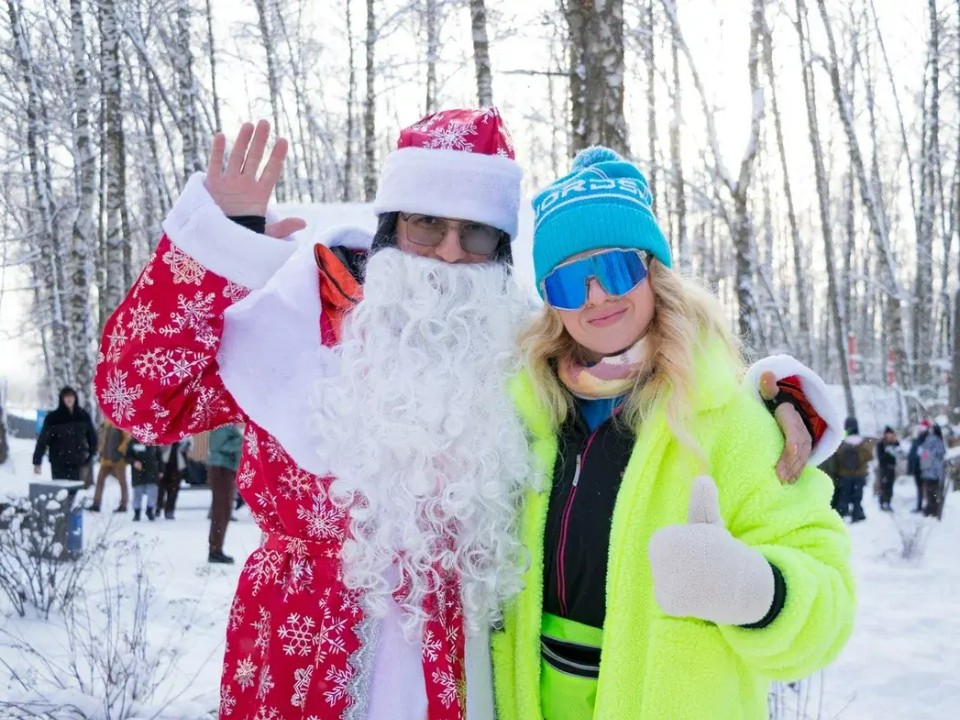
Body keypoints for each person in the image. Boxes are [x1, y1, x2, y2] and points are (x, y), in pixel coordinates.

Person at [95, 113, 837, 719]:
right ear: (390, 229)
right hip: (299, 661)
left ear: (501, 253)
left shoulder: (511, 348)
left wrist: (780, 394)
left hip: (461, 671)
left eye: (476, 234)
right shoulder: (291, 317)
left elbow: (638, 365)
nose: (450, 254)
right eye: (426, 226)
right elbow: (136, 400)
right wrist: (218, 248)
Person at [490, 147, 854, 720]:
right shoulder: (521, 414)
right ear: (549, 304)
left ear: (652, 271)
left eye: (614, 270)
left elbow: (830, 602)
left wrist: (755, 591)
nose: (596, 297)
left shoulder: (728, 416)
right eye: (566, 283)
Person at [32, 386, 97, 482]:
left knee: (74, 491)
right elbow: (43, 440)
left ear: (75, 398)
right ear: (62, 399)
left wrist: (91, 455)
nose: (69, 399)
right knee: (60, 493)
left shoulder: (83, 416)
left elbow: (92, 437)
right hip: (58, 462)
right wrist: (37, 461)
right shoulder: (53, 418)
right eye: (66, 397)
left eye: (71, 396)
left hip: (77, 462)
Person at [207, 423, 243, 563]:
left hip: (228, 467)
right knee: (220, 510)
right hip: (220, 467)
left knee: (225, 510)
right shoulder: (220, 424)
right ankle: (214, 550)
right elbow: (218, 446)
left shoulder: (229, 424)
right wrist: (241, 441)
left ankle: (218, 548)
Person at [88, 418, 131, 512]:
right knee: (100, 481)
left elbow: (127, 439)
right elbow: (101, 440)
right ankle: (96, 504)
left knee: (122, 482)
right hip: (105, 458)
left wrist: (120, 452)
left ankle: (124, 504)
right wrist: (100, 451)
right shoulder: (104, 424)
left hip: (118, 460)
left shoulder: (121, 422)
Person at [126, 439, 162, 521]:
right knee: (137, 493)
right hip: (138, 472)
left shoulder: (154, 441)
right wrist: (134, 462)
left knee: (152, 492)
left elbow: (159, 456)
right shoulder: (133, 441)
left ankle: (150, 510)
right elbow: (127, 456)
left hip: (152, 471)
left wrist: (161, 470)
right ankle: (137, 512)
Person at [919, 423, 946, 518]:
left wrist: (924, 468)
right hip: (936, 471)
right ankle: (933, 509)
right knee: (934, 491)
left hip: (929, 471)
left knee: (930, 491)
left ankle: (931, 509)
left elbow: (924, 455)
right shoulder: (939, 441)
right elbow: (942, 453)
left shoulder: (928, 440)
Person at [156, 440, 185, 520]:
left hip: (177, 466)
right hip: (164, 464)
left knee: (174, 489)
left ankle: (170, 510)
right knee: (160, 488)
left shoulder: (184, 434)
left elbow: (189, 445)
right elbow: (159, 447)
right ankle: (158, 507)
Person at [908, 420, 931, 512]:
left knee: (928, 488)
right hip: (917, 468)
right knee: (919, 488)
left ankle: (929, 507)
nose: (921, 430)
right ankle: (919, 506)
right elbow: (911, 454)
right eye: (920, 428)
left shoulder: (929, 439)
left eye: (923, 428)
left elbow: (929, 454)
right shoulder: (916, 440)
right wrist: (910, 467)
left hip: (926, 468)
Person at [876, 425, 899, 511]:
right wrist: (887, 452)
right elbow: (880, 458)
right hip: (884, 468)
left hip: (892, 468)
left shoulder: (894, 443)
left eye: (891, 434)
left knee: (890, 486)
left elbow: (899, 452)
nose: (890, 436)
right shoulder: (881, 444)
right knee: (883, 486)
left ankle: (888, 502)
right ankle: (882, 502)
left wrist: (895, 444)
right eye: (888, 434)